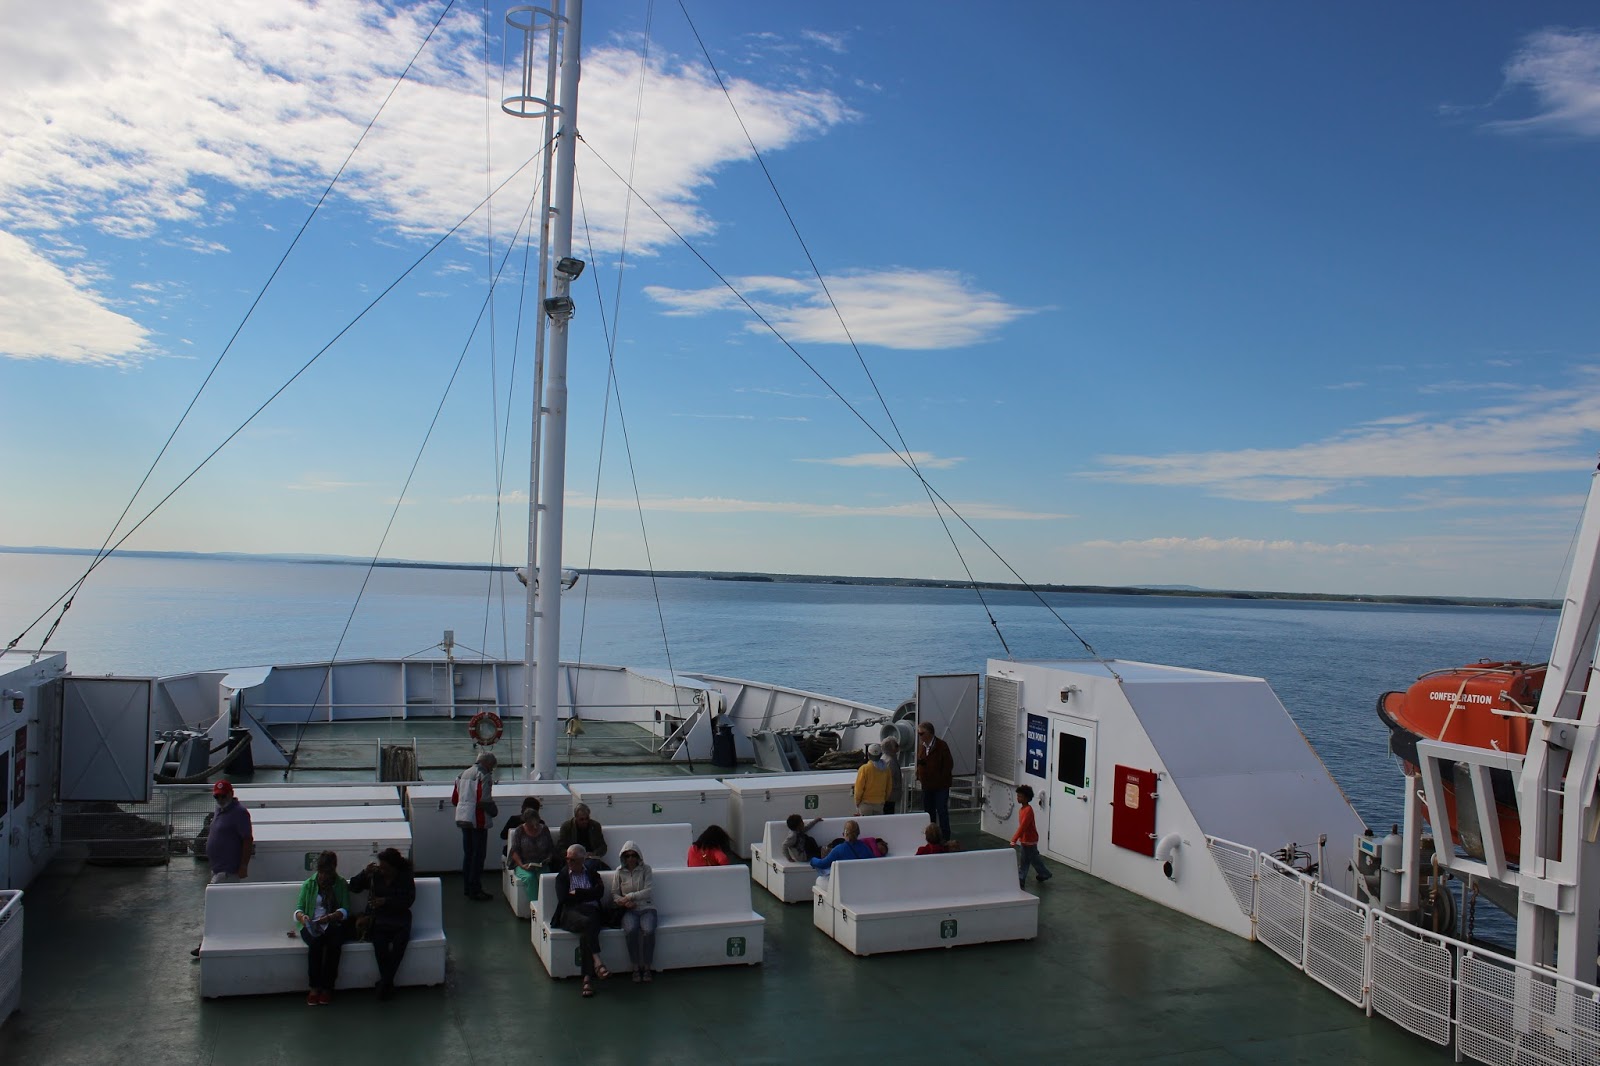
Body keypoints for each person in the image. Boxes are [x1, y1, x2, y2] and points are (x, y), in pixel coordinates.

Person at [191, 779, 252, 958]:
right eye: (217, 797)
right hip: (217, 869)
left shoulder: (240, 813)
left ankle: (211, 946)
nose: (220, 799)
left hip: (228, 870)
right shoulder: (219, 810)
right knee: (218, 908)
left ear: (231, 794)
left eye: (223, 796)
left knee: (216, 909)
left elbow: (247, 840)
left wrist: (243, 865)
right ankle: (211, 944)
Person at [348, 848, 415, 1001]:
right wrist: (364, 873)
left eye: (386, 868)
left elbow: (408, 900)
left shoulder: (405, 877)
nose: (382, 871)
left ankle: (385, 982)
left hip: (400, 918)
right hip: (379, 919)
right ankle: (387, 983)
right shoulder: (376, 876)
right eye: (381, 867)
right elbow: (353, 887)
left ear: (395, 867)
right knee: (379, 945)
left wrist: (386, 901)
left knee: (399, 945)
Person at [552, 844, 610, 998]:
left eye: (573, 860)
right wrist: (587, 893)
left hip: (591, 911)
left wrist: (577, 892)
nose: (569, 862)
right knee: (589, 923)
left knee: (586, 932)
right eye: (567, 859)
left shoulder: (592, 873)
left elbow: (599, 893)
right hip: (571, 913)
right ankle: (597, 961)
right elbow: (564, 898)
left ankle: (587, 979)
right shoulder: (562, 876)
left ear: (582, 860)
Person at [294, 850, 351, 1006]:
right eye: (322, 872)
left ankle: (327, 987)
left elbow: (346, 909)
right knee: (315, 944)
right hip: (312, 924)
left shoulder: (340, 883)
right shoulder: (309, 884)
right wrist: (303, 917)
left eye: (328, 872)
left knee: (335, 945)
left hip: (333, 923)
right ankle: (314, 987)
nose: (324, 876)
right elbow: (298, 909)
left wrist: (331, 917)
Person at [452, 750, 498, 900]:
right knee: (478, 855)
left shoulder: (462, 774)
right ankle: (475, 889)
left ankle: (467, 887)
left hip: (463, 818)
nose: (491, 770)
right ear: (487, 763)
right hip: (478, 820)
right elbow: (485, 800)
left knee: (468, 854)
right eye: (492, 766)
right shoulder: (484, 775)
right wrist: (494, 811)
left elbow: (455, 799)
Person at [613, 840, 657, 983]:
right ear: (623, 857)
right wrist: (625, 903)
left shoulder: (646, 869)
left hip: (646, 908)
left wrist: (630, 896)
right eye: (627, 856)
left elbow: (648, 890)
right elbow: (614, 893)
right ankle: (636, 967)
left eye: (633, 855)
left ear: (638, 856)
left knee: (648, 931)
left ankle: (647, 967)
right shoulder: (619, 872)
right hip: (628, 910)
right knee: (631, 931)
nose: (631, 858)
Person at [507, 807, 557, 903]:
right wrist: (522, 865)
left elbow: (551, 847)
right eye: (531, 825)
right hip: (524, 863)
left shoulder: (544, 829)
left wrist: (549, 858)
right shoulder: (519, 831)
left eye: (536, 824)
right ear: (526, 822)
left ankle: (547, 904)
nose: (535, 827)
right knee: (530, 878)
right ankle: (535, 904)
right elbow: (514, 852)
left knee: (546, 878)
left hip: (541, 864)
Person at [916, 721, 954, 843]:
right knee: (928, 812)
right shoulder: (922, 746)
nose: (919, 736)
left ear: (929, 733)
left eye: (921, 733)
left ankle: (945, 838)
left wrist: (938, 779)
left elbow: (948, 765)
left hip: (940, 786)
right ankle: (931, 836)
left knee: (942, 811)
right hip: (927, 786)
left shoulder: (941, 746)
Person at [1012, 784, 1051, 888]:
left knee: (1024, 860)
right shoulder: (1023, 810)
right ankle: (1044, 873)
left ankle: (1021, 878)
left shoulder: (1028, 811)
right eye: (1018, 796)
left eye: (1020, 796)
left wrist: (1014, 839)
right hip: (1027, 839)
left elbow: (1023, 827)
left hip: (1028, 840)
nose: (1018, 798)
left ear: (1026, 798)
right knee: (1033, 859)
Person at [809, 820, 878, 872]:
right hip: (862, 880)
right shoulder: (864, 847)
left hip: (844, 882)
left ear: (843, 834)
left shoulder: (839, 849)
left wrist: (812, 860)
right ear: (858, 833)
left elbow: (822, 864)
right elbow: (874, 863)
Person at [853, 742, 893, 816]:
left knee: (865, 823)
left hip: (865, 804)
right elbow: (889, 787)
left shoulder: (864, 769)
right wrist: (884, 799)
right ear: (880, 755)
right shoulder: (886, 769)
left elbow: (859, 789)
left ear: (868, 755)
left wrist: (857, 802)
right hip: (879, 804)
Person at [881, 736, 903, 814]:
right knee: (889, 813)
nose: (898, 747)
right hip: (890, 796)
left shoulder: (885, 758)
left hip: (889, 794)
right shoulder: (890, 761)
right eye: (896, 745)